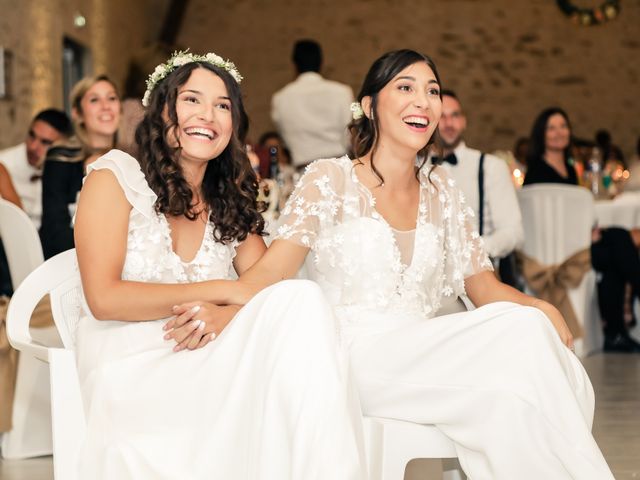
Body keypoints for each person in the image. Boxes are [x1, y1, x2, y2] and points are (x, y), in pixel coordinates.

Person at [167, 50, 614, 479]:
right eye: (406, 87)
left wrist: (540, 307)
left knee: (518, 380)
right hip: (351, 356)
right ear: (369, 106)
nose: (423, 101)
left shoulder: (443, 190)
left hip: (424, 351)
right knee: (520, 361)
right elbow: (270, 274)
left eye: (433, 91)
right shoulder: (329, 179)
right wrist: (223, 313)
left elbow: (485, 289)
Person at [73, 51, 364, 479]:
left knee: (301, 300)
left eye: (223, 105)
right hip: (132, 365)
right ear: (162, 111)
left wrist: (225, 317)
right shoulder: (114, 177)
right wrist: (222, 291)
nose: (208, 114)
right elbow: (103, 298)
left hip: (211, 357)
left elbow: (267, 292)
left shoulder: (227, 199)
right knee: (298, 314)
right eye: (192, 100)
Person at [524, 107, 640, 353]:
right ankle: (617, 327)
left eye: (563, 126)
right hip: (562, 252)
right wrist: (583, 235)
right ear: (541, 134)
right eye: (551, 127)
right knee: (619, 241)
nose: (559, 132)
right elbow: (542, 222)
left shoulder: (569, 167)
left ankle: (615, 333)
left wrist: (587, 232)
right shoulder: (536, 171)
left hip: (577, 242)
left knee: (615, 251)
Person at [435, 89, 524, 286]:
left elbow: (513, 232)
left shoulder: (491, 166)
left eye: (455, 115)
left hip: (479, 276)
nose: (449, 123)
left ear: (464, 121)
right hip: (429, 279)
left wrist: (472, 250)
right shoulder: (418, 167)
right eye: (442, 116)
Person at [40, 75, 121, 259]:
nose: (106, 106)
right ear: (77, 113)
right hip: (68, 263)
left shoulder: (134, 162)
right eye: (95, 100)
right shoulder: (60, 159)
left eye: (112, 98)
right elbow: (55, 231)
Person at [271, 39, 354, 169]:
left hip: (303, 173)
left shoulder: (281, 98)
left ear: (294, 65)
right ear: (321, 63)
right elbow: (349, 134)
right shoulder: (342, 92)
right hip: (339, 169)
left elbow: (285, 139)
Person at [0, 109, 72, 228]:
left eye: (45, 142)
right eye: (32, 136)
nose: (33, 147)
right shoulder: (4, 164)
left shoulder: (68, 171)